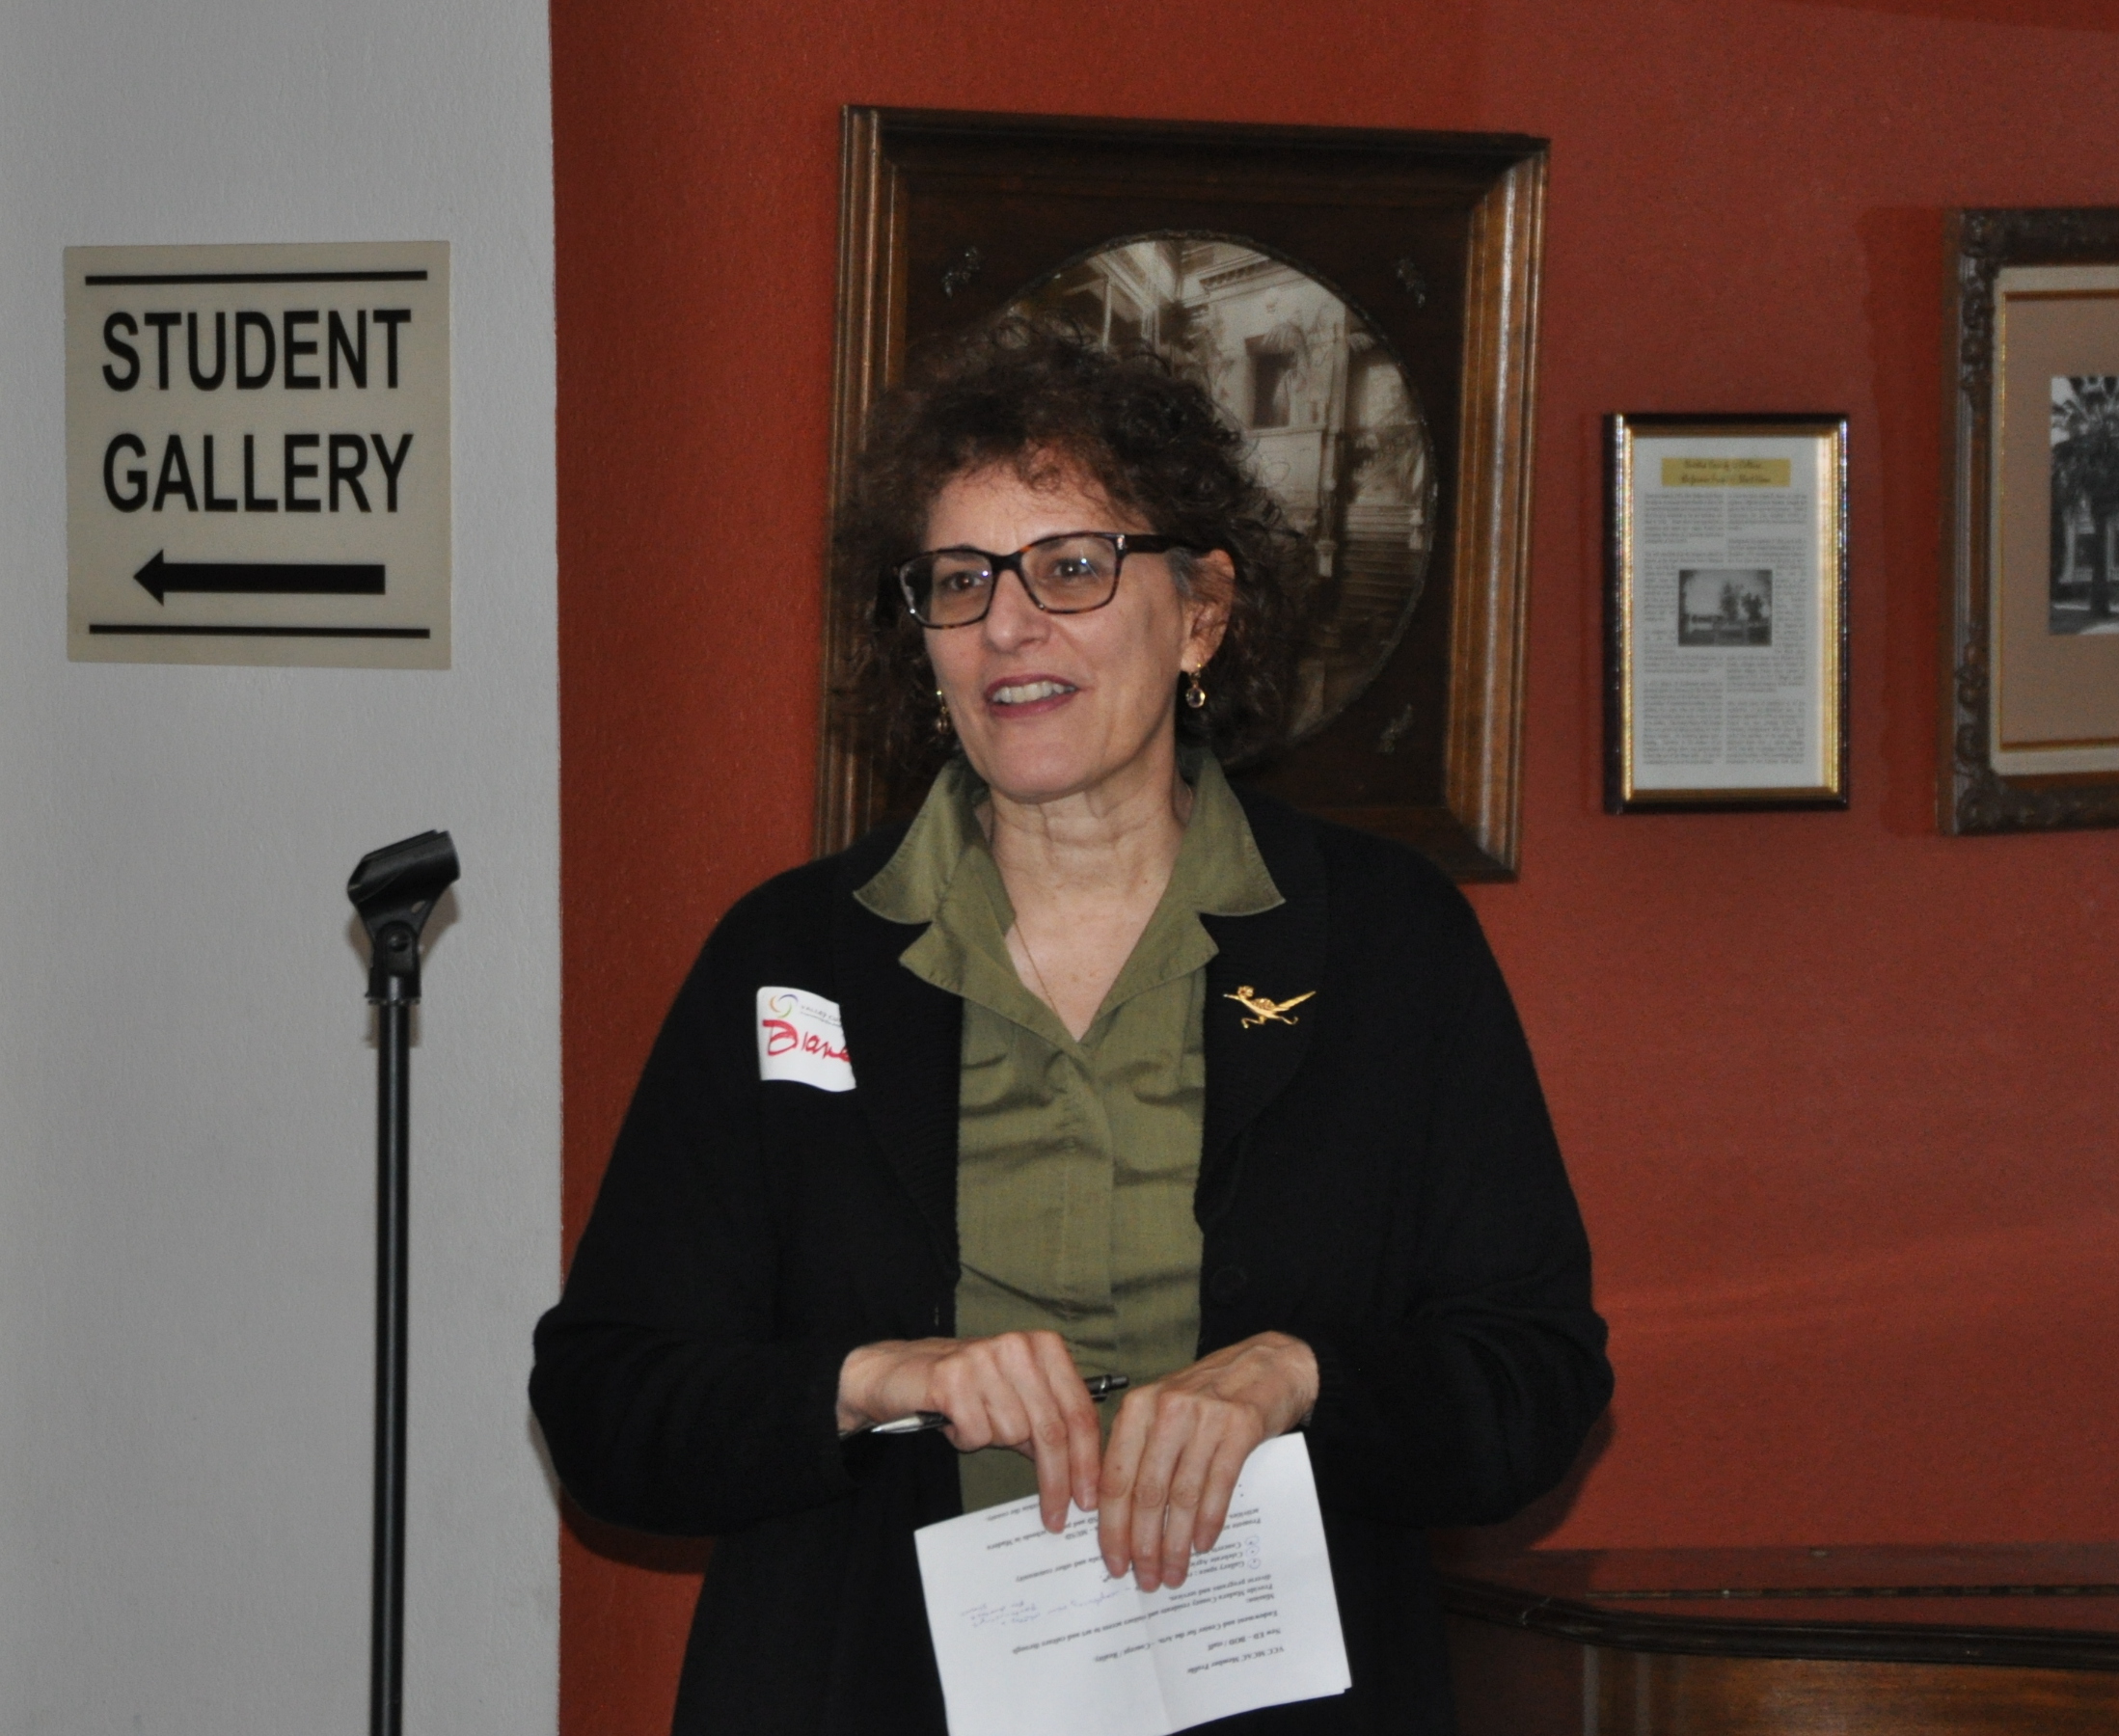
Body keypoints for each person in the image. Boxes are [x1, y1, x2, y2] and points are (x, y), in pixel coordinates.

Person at [530, 315, 1610, 1735]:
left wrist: (1295, 1376)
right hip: (867, 1688)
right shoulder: (791, 957)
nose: (1008, 626)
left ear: (1202, 612)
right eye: (960, 580)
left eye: (1073, 567)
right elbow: (606, 1405)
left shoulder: (1384, 943)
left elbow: (1534, 1382)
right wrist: (874, 1380)